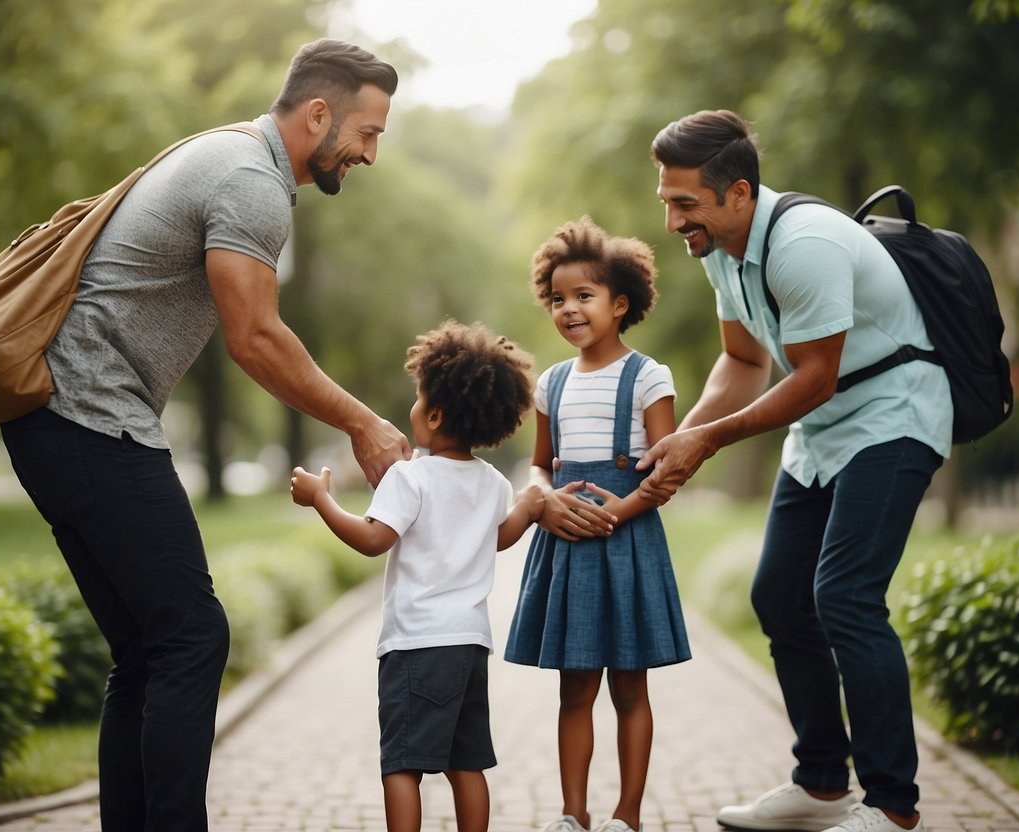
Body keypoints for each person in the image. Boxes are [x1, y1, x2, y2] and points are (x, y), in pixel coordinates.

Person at [0, 39, 410, 832]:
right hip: (90, 418)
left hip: (56, 422)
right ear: (318, 114)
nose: (370, 153)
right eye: (368, 132)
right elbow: (254, 337)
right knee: (193, 637)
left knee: (150, 650)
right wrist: (362, 421)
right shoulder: (251, 180)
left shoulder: (223, 151)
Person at [643, 109, 951, 832]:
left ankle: (891, 805)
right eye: (665, 201)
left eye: (685, 203)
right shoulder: (719, 248)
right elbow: (743, 362)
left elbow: (812, 376)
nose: (671, 221)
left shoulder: (801, 245)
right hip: (822, 433)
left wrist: (707, 443)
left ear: (739, 193)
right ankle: (819, 786)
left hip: (892, 416)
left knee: (843, 597)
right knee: (780, 595)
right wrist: (677, 442)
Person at [290, 319, 545, 832]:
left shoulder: (412, 477)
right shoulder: (494, 483)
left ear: (433, 413)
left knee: (402, 763)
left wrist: (321, 500)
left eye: (417, 397)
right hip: (470, 644)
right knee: (466, 762)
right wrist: (531, 506)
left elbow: (371, 539)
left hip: (417, 644)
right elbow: (499, 537)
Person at [505, 217, 692, 832]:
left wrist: (620, 509)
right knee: (575, 687)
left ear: (620, 302)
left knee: (630, 689)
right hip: (567, 546)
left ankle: (627, 815)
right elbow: (537, 466)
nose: (569, 310)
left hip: (627, 541)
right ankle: (572, 814)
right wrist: (544, 500)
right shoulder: (551, 384)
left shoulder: (649, 376)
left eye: (584, 296)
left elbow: (663, 472)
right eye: (557, 299)